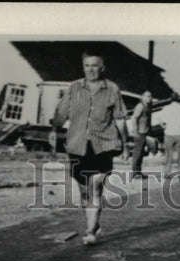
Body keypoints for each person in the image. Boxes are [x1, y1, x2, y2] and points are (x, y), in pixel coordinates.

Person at [49, 53, 128, 246]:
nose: (91, 69)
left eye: (95, 66)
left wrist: (125, 146)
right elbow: (61, 113)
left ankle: (90, 231)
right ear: (83, 67)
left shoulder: (112, 89)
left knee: (96, 188)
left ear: (102, 68)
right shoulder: (74, 87)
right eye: (87, 65)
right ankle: (94, 222)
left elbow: (120, 119)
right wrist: (54, 130)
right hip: (77, 145)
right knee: (84, 191)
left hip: (103, 145)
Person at [128, 90, 153, 180]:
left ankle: (138, 172)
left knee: (141, 153)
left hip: (144, 132)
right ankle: (135, 173)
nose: (150, 98)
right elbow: (134, 118)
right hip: (140, 133)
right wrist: (135, 131)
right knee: (137, 153)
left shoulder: (148, 106)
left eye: (150, 96)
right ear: (142, 97)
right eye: (147, 96)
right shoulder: (140, 106)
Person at [159, 94, 180, 174]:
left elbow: (159, 119)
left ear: (170, 99)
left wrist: (163, 126)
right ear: (178, 99)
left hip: (168, 133)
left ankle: (167, 173)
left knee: (168, 155)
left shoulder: (166, 108)